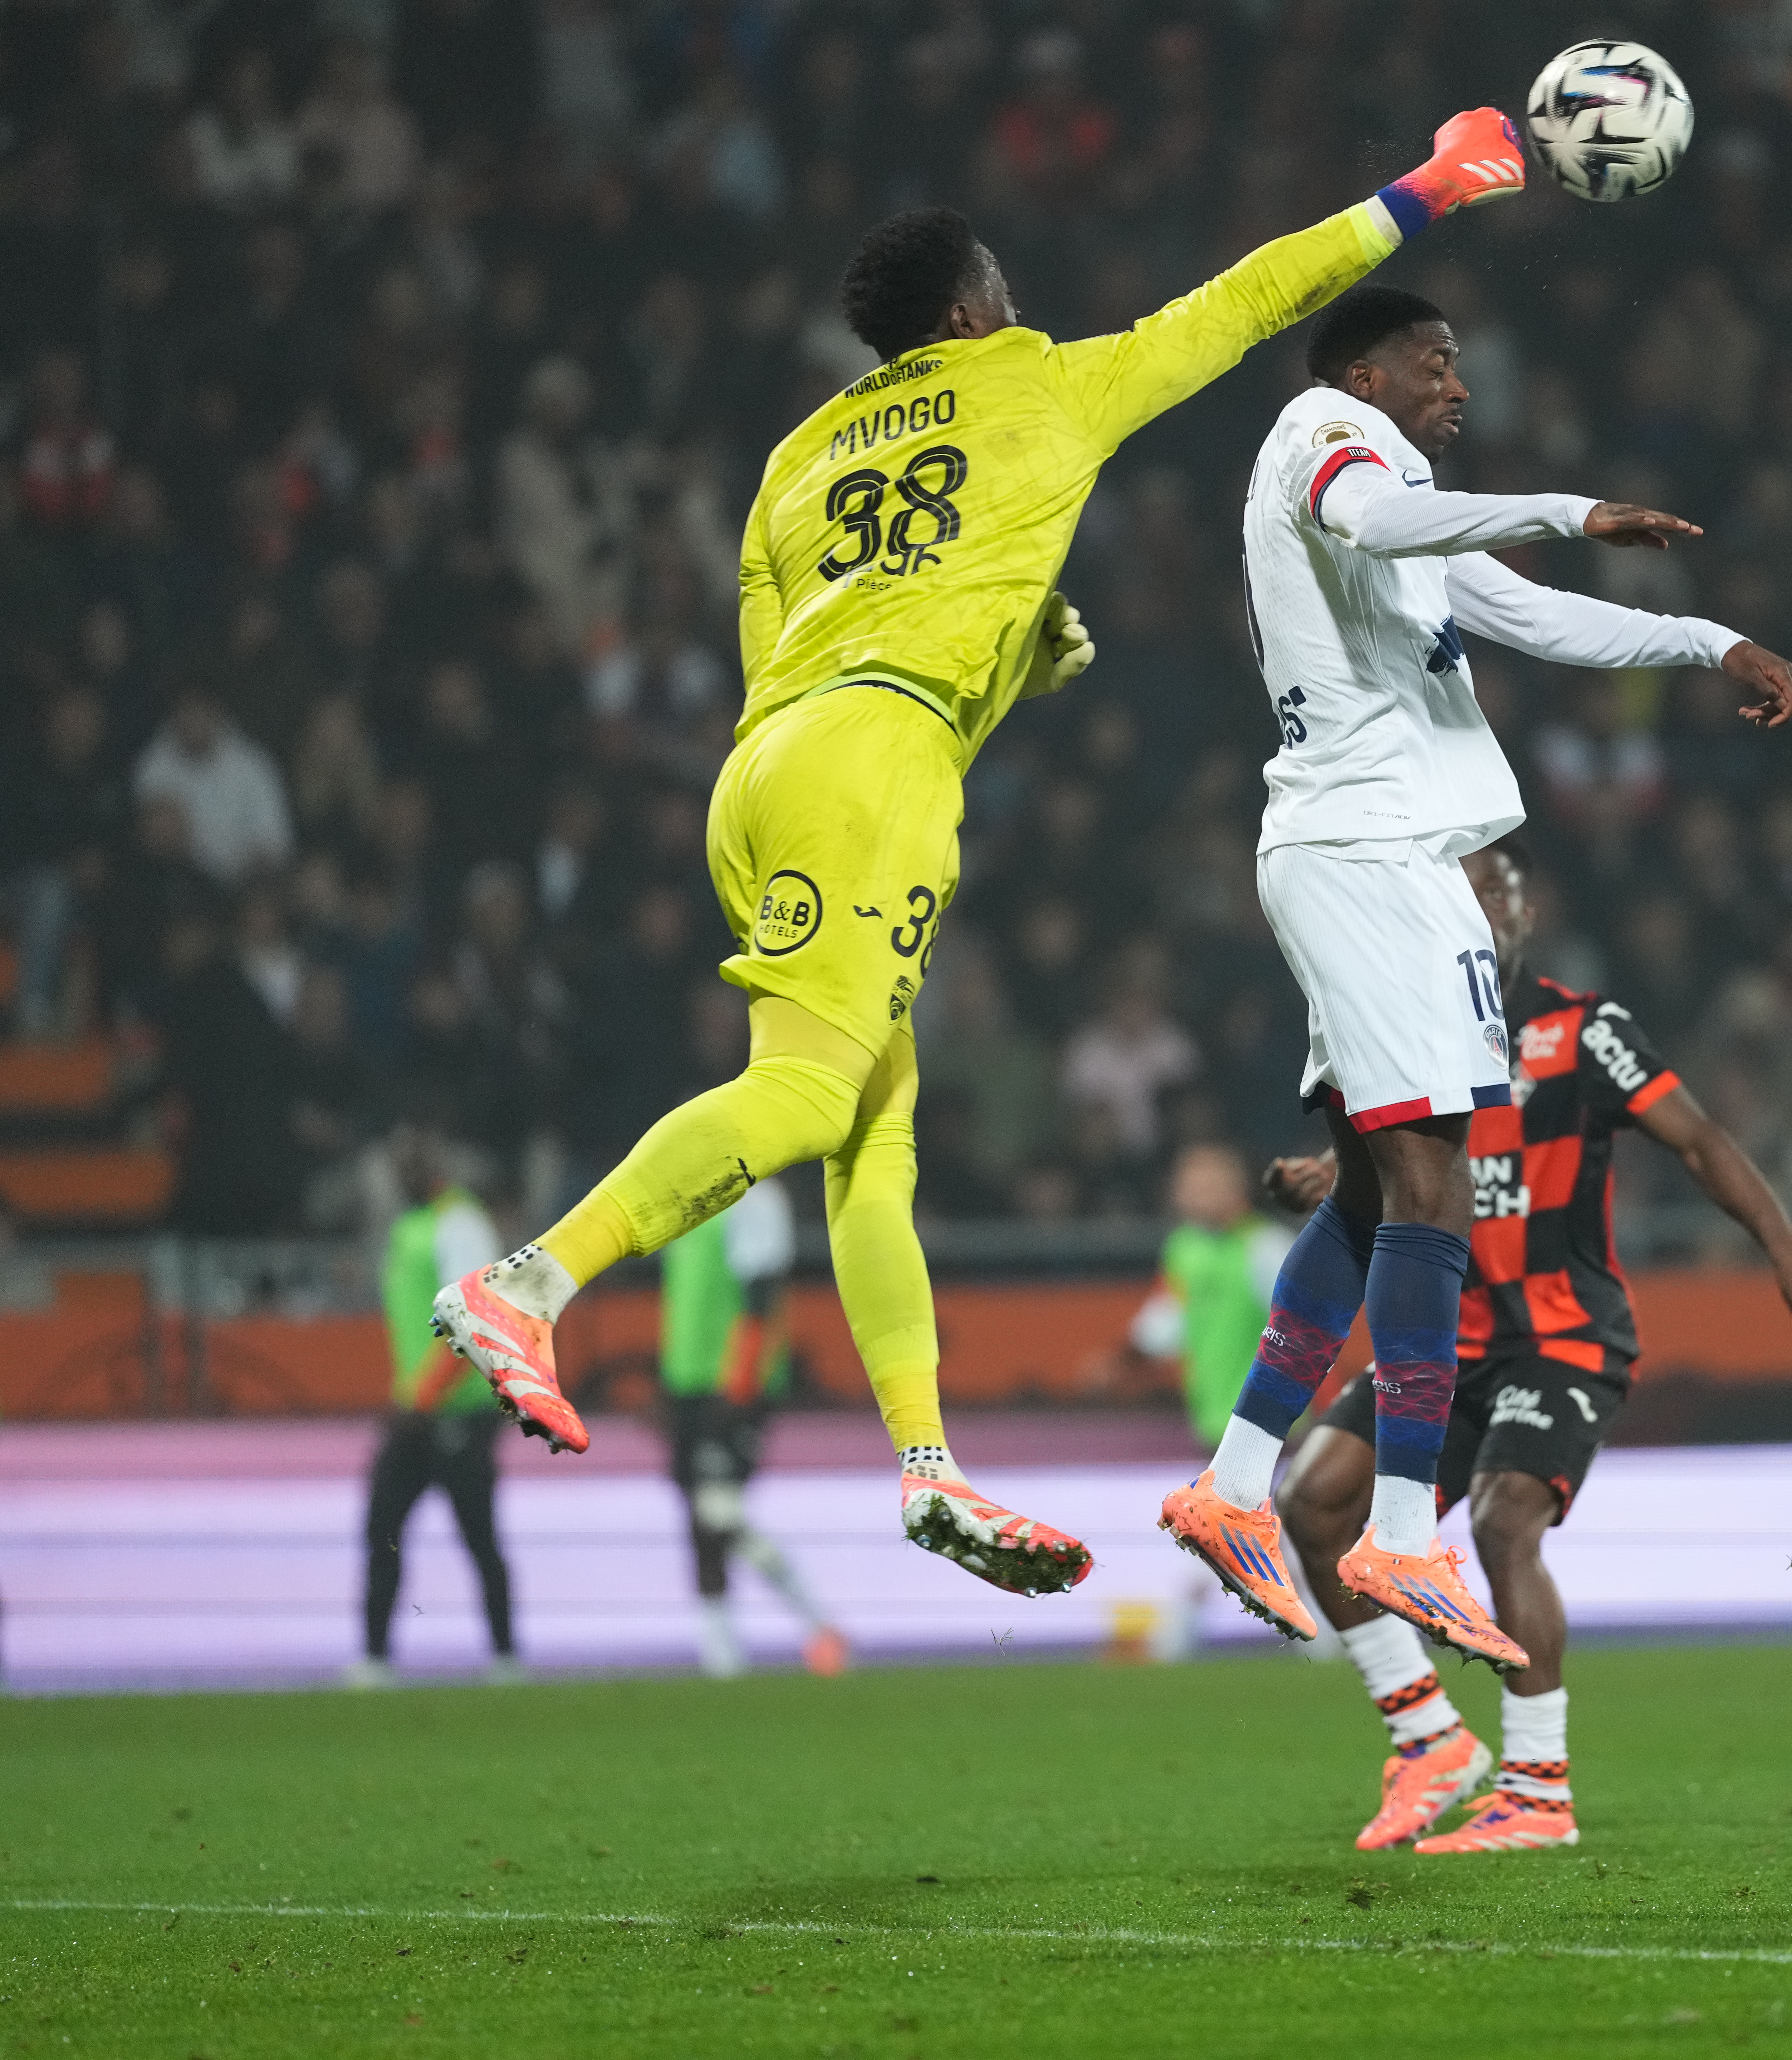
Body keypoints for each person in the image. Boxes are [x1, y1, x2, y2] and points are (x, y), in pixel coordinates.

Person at [426, 109, 1533, 1604]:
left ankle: (928, 1469)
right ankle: (527, 1282)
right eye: (1000, 286)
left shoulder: (799, 458)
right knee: (811, 1093)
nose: (1014, 303)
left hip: (763, 771)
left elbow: (795, 663)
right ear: (970, 314)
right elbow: (1254, 300)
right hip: (877, 767)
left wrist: (1009, 665)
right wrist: (1422, 191)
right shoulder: (1039, 387)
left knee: (876, 1121)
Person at [1158, 281, 1792, 1671]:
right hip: (1371, 847)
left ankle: (1228, 1488)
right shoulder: (1330, 433)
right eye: (1438, 364)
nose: (1459, 386)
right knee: (1436, 1166)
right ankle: (1397, 1527)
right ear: (1370, 373)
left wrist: (1706, 642)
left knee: (1388, 1177)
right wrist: (1570, 505)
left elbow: (1538, 619)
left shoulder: (1395, 505)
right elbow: (1381, 513)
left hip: (1371, 845)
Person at [1265, 847, 1792, 1852]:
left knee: (1506, 1525)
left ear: (1526, 910)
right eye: (1462, 888)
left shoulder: (1579, 1030)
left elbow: (1701, 1140)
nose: (1483, 903)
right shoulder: (1404, 1032)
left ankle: (1538, 1793)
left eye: (1498, 886)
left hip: (1562, 1341)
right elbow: (1408, 1156)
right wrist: (1330, 1174)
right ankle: (1425, 1735)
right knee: (1310, 1499)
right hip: (1442, 1346)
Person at [658, 1174, 846, 1679]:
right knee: (708, 1519)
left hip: (733, 1388)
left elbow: (760, 1295)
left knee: (714, 1517)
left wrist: (740, 1385)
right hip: (688, 1385)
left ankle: (748, 1650)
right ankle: (775, 1638)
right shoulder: (686, 1201)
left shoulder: (755, 1199)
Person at [351, 1125, 519, 1687]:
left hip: (458, 1411)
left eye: (412, 1159)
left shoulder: (459, 1222)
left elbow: (468, 1322)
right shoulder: (411, 1226)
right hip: (418, 1408)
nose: (402, 1172)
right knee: (384, 1528)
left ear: (434, 1162)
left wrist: (418, 1399)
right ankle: (375, 1659)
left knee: (477, 1535)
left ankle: (505, 1657)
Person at [1113, 1144, 1292, 1449]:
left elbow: (1303, 1332)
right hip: (1208, 1416)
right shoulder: (1182, 1247)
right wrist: (1126, 1358)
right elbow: (1170, 1318)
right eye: (1192, 1188)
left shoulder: (1267, 1247)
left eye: (1210, 1186)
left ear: (1237, 1189)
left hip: (1273, 1425)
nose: (1200, 1196)